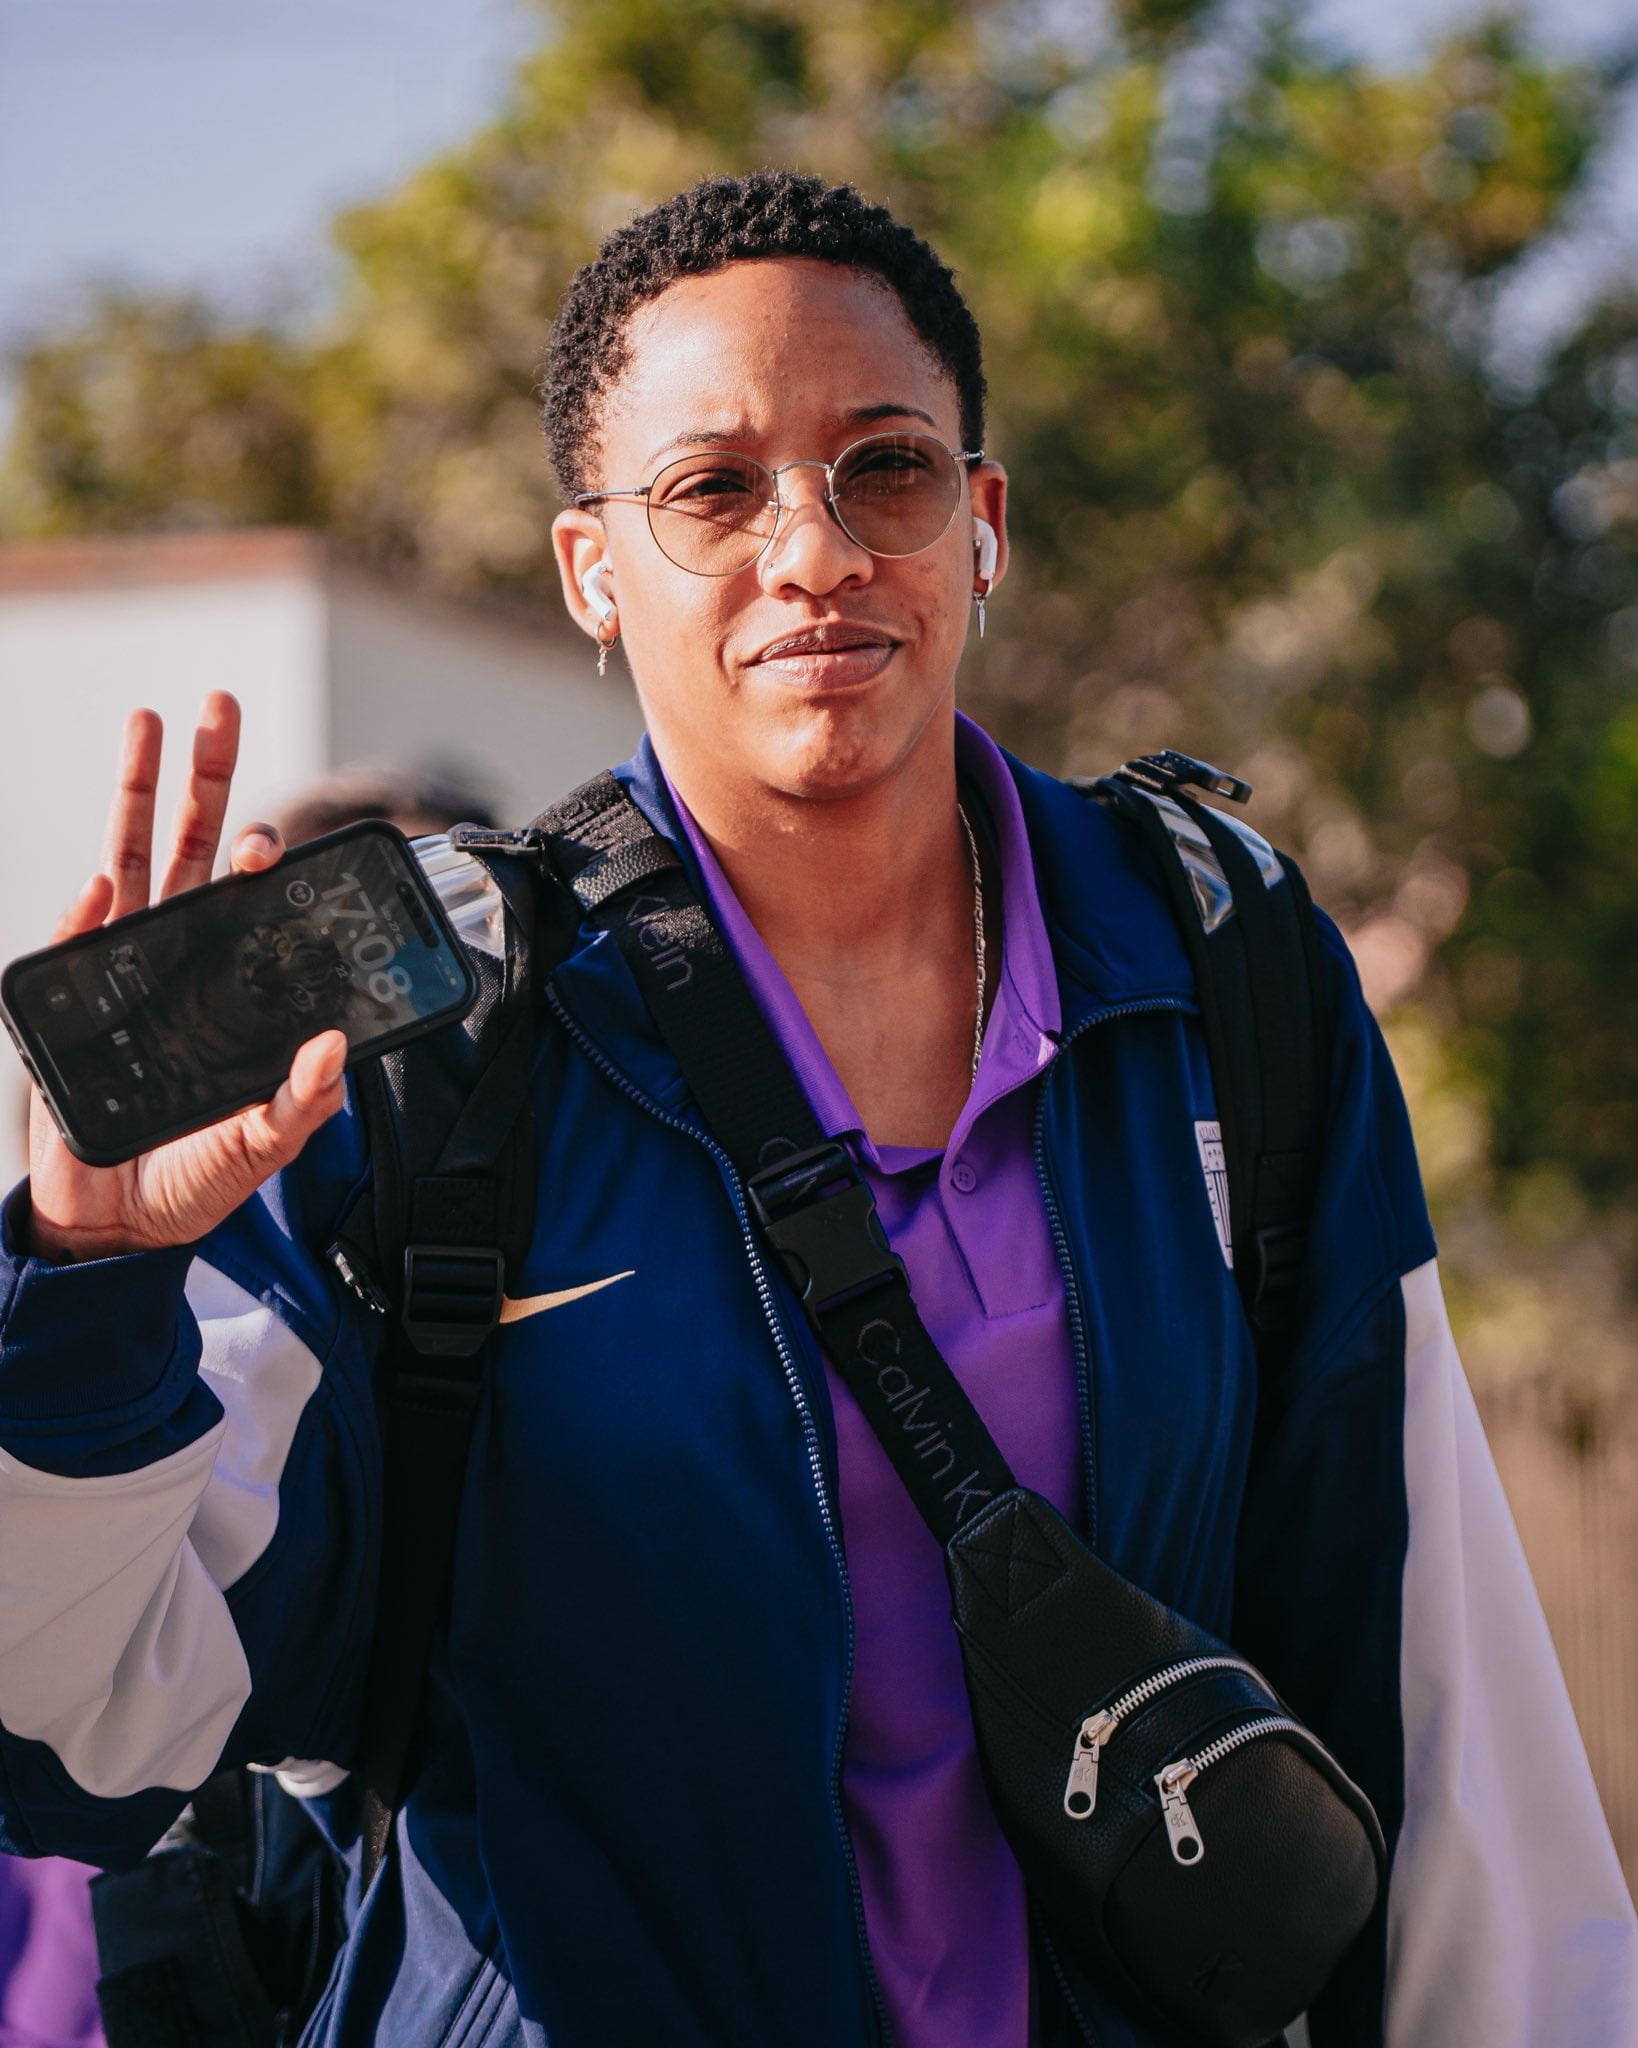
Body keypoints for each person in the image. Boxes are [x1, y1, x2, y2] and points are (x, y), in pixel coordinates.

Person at [0, 171, 1631, 2048]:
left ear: (982, 524)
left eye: (887, 469)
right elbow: (88, 1737)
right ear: (589, 571)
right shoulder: (425, 1046)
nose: (815, 548)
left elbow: (1436, 1691)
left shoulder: (1215, 963)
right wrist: (86, 1281)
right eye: (711, 489)